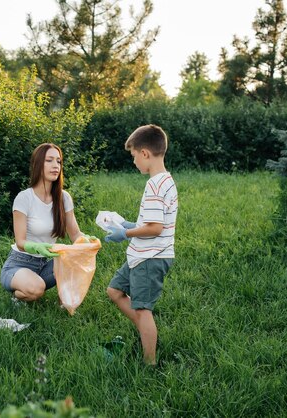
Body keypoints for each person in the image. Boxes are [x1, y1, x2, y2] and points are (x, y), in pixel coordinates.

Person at [103, 125, 178, 365]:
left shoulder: (155, 185)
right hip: (141, 254)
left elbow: (155, 228)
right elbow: (153, 222)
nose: (134, 161)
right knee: (114, 291)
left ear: (145, 153)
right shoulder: (165, 181)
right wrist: (128, 223)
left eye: (134, 156)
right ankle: (147, 332)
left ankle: (149, 362)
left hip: (151, 257)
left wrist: (124, 232)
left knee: (143, 309)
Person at [0, 143, 91, 302]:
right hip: (19, 263)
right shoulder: (24, 198)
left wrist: (87, 241)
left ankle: (66, 301)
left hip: (46, 265)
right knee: (36, 289)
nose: (55, 166)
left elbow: (75, 234)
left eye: (59, 161)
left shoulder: (64, 198)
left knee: (75, 258)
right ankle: (18, 295)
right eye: (49, 160)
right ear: (37, 164)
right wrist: (36, 246)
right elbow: (20, 242)